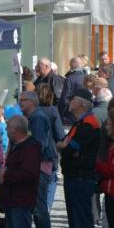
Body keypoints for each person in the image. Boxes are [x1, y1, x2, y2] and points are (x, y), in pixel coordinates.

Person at [56, 89, 101, 228]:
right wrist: (66, 147)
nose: (69, 102)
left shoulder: (88, 124)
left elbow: (70, 147)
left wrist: (65, 147)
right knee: (77, 225)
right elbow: (67, 146)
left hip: (81, 178)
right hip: (74, 177)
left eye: (73, 99)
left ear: (81, 103)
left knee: (83, 225)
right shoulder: (80, 123)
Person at [0, 115, 41, 228]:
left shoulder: (30, 147)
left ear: (15, 130)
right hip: (12, 198)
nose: (6, 131)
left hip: (22, 198)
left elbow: (30, 173)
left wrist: (6, 175)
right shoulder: (16, 145)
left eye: (8, 128)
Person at [18, 91, 56, 228]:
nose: (20, 104)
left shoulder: (37, 118)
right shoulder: (35, 117)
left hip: (39, 167)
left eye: (23, 101)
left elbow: (38, 144)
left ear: (32, 102)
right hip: (38, 166)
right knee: (37, 206)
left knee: (39, 207)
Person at [37, 84, 65, 213]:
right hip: (50, 149)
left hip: (35, 151)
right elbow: (59, 133)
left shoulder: (33, 110)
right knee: (51, 177)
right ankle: (47, 206)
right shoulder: (53, 110)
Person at [60, 57, 89, 125]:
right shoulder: (87, 77)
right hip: (85, 110)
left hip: (72, 114)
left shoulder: (70, 78)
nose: (69, 67)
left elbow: (65, 98)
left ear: (73, 64)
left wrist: (61, 112)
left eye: (70, 65)